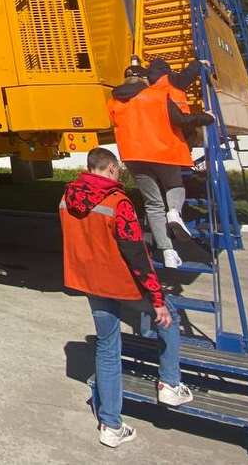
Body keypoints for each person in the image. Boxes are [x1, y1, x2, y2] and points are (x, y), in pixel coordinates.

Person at [60, 148, 193, 448]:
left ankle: (110, 425)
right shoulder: (117, 202)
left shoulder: (66, 198)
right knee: (169, 320)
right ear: (109, 169)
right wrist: (157, 299)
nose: (119, 176)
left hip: (91, 284)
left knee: (107, 349)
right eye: (117, 171)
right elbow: (137, 254)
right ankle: (170, 383)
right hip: (121, 284)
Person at [107, 59, 214, 268]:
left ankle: (167, 251)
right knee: (174, 185)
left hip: (133, 156)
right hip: (162, 151)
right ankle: (174, 211)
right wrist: (207, 118)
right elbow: (180, 120)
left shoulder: (113, 101)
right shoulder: (157, 95)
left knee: (153, 204)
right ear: (145, 78)